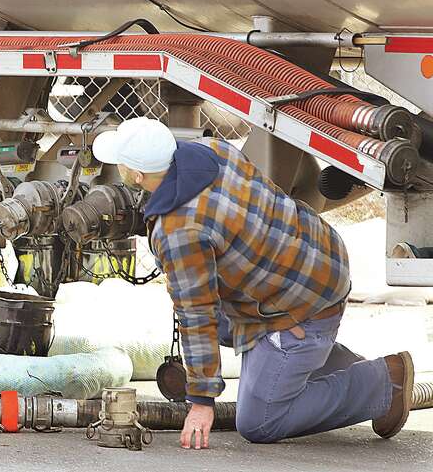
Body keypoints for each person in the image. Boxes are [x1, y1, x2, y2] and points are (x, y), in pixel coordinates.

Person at [92, 118, 414, 447]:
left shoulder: (177, 232)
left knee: (259, 420)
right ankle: (324, 363)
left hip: (302, 301)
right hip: (321, 257)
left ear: (138, 176)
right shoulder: (213, 150)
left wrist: (202, 400)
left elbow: (196, 314)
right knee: (222, 325)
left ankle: (384, 383)